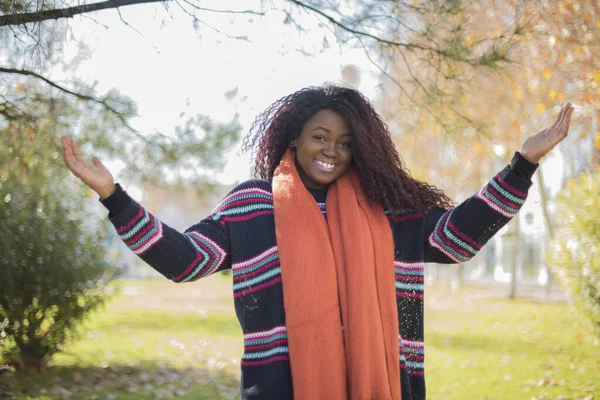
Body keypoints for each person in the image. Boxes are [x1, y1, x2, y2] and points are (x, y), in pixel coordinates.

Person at [61, 85, 574, 400]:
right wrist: (113, 195)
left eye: (346, 142)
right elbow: (186, 261)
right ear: (293, 139)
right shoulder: (253, 205)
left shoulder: (385, 209)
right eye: (320, 136)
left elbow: (459, 239)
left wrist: (521, 165)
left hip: (387, 385)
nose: (332, 150)